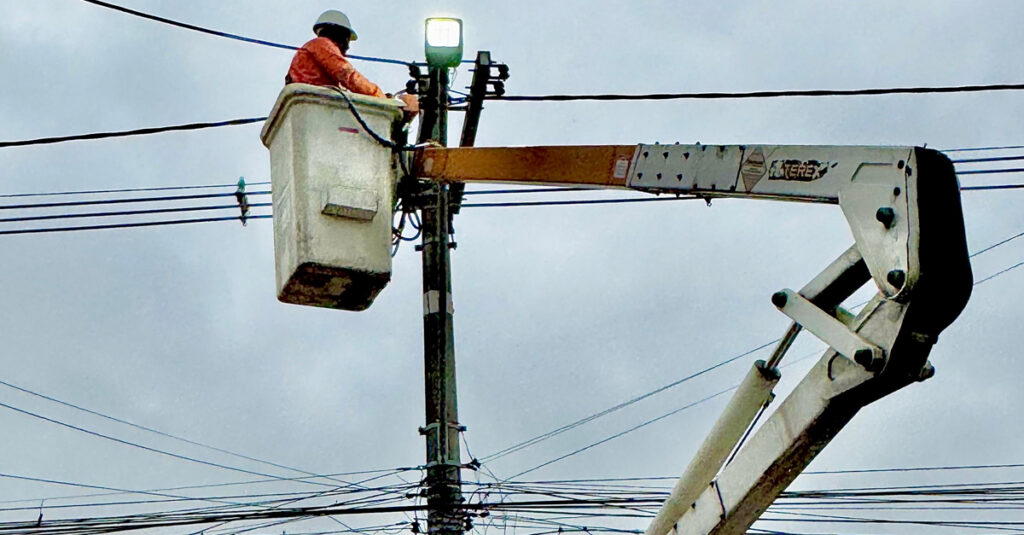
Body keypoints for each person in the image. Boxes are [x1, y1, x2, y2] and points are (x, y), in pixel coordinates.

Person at [286, 10, 418, 119]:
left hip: (314, 107)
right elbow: (347, 75)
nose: (348, 47)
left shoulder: (308, 52)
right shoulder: (322, 45)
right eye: (347, 40)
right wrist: (381, 98)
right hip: (318, 107)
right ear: (340, 34)